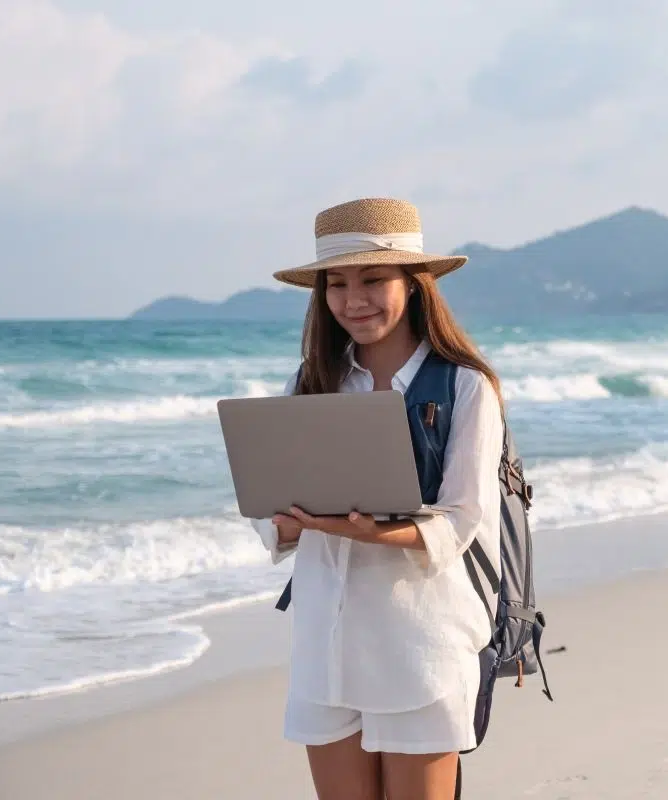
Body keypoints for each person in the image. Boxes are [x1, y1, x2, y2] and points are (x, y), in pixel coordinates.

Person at [250, 197, 503, 800]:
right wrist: (287, 522)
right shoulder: (309, 383)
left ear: (414, 284)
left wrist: (372, 532)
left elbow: (463, 517)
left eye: (372, 279)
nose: (353, 299)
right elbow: (271, 519)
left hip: (420, 640)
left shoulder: (465, 384)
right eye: (336, 284)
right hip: (324, 642)